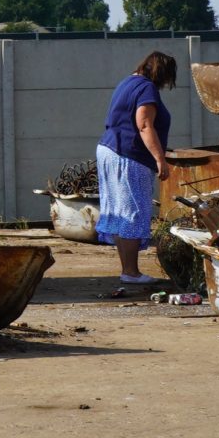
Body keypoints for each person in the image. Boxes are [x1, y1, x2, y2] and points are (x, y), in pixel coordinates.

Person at [93, 49, 175, 296]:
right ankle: (131, 272)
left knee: (120, 211)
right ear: (161, 72)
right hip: (129, 155)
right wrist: (160, 158)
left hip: (109, 150)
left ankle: (128, 270)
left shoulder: (127, 82)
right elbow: (144, 123)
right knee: (133, 211)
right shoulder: (147, 88)